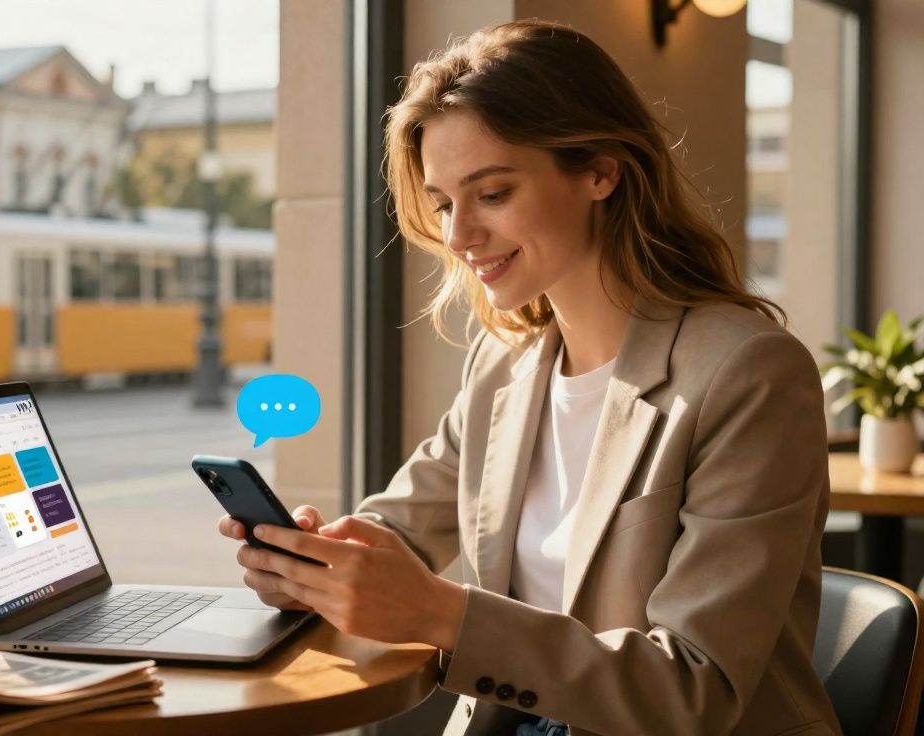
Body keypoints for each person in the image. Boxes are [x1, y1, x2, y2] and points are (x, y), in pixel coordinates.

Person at [217, 20, 839, 736]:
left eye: (492, 193)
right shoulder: (503, 366)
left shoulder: (747, 373)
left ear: (601, 172)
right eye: (444, 204)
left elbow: (694, 690)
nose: (458, 237)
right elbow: (399, 529)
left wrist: (441, 612)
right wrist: (315, 564)